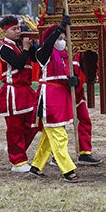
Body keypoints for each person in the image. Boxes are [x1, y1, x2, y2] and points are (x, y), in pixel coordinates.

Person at [29, 15, 81, 182]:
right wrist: (59, 28)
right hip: (49, 98)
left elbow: (66, 77)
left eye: (64, 38)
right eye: (59, 38)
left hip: (61, 97)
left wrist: (74, 81)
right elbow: (48, 44)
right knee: (58, 134)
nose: (62, 41)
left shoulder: (66, 57)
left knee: (49, 134)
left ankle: (36, 166)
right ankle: (68, 170)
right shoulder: (43, 54)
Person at [0, 16, 38, 172]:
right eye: (14, 29)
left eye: (19, 28)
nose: (18, 31)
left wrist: (31, 46)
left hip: (26, 90)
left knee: (33, 124)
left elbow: (35, 58)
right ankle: (18, 161)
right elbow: (19, 64)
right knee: (14, 127)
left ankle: (15, 149)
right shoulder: (5, 48)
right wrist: (26, 49)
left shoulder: (20, 44)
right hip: (12, 90)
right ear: (5, 32)